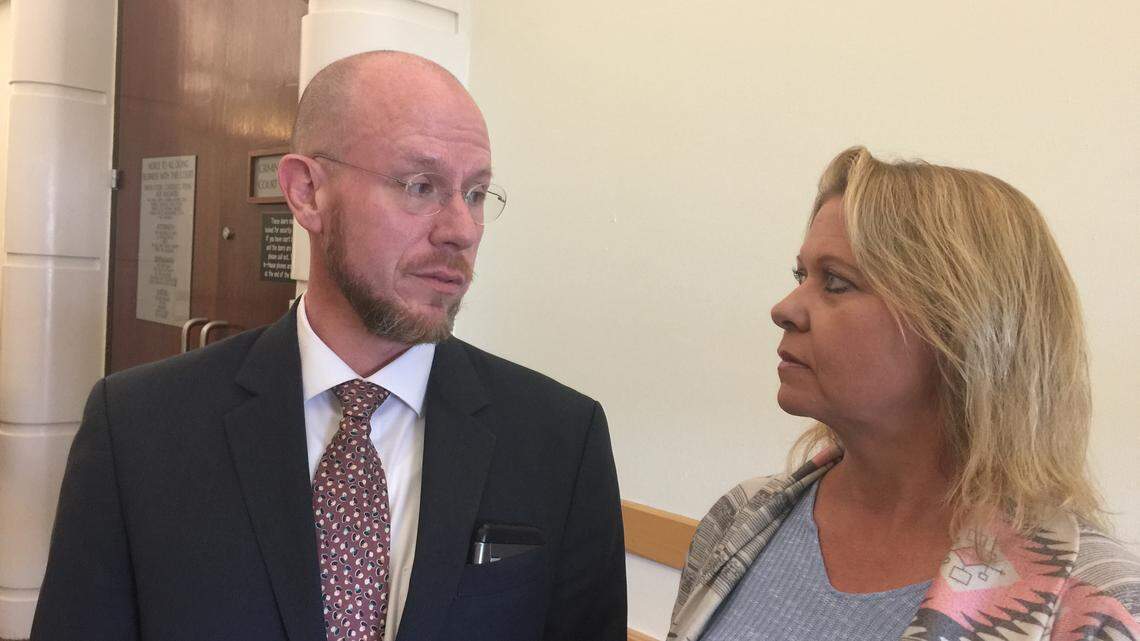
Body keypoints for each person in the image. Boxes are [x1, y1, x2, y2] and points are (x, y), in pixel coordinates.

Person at [31, 51, 626, 641]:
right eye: (420, 186)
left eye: (475, 194)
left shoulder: (560, 439)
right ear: (307, 192)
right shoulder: (138, 428)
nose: (461, 230)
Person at [669, 147, 1140, 641]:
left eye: (835, 282)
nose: (785, 308)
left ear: (962, 327)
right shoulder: (739, 521)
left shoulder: (1097, 608)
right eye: (800, 276)